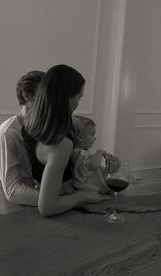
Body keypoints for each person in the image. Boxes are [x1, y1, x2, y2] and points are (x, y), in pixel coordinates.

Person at [23, 64, 112, 217]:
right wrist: (84, 196)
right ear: (66, 98)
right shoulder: (61, 145)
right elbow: (47, 208)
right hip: (64, 204)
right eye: (79, 97)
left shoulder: (30, 122)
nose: (78, 103)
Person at [0, 71, 45, 208]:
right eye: (46, 96)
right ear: (26, 96)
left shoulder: (46, 129)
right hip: (23, 211)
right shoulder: (6, 134)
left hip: (49, 205)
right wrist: (55, 200)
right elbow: (13, 191)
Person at [72, 115, 120, 193]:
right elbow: (92, 165)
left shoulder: (84, 152)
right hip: (89, 191)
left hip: (96, 190)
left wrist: (110, 168)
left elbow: (95, 171)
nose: (95, 138)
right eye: (92, 135)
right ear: (80, 137)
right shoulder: (77, 153)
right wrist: (100, 151)